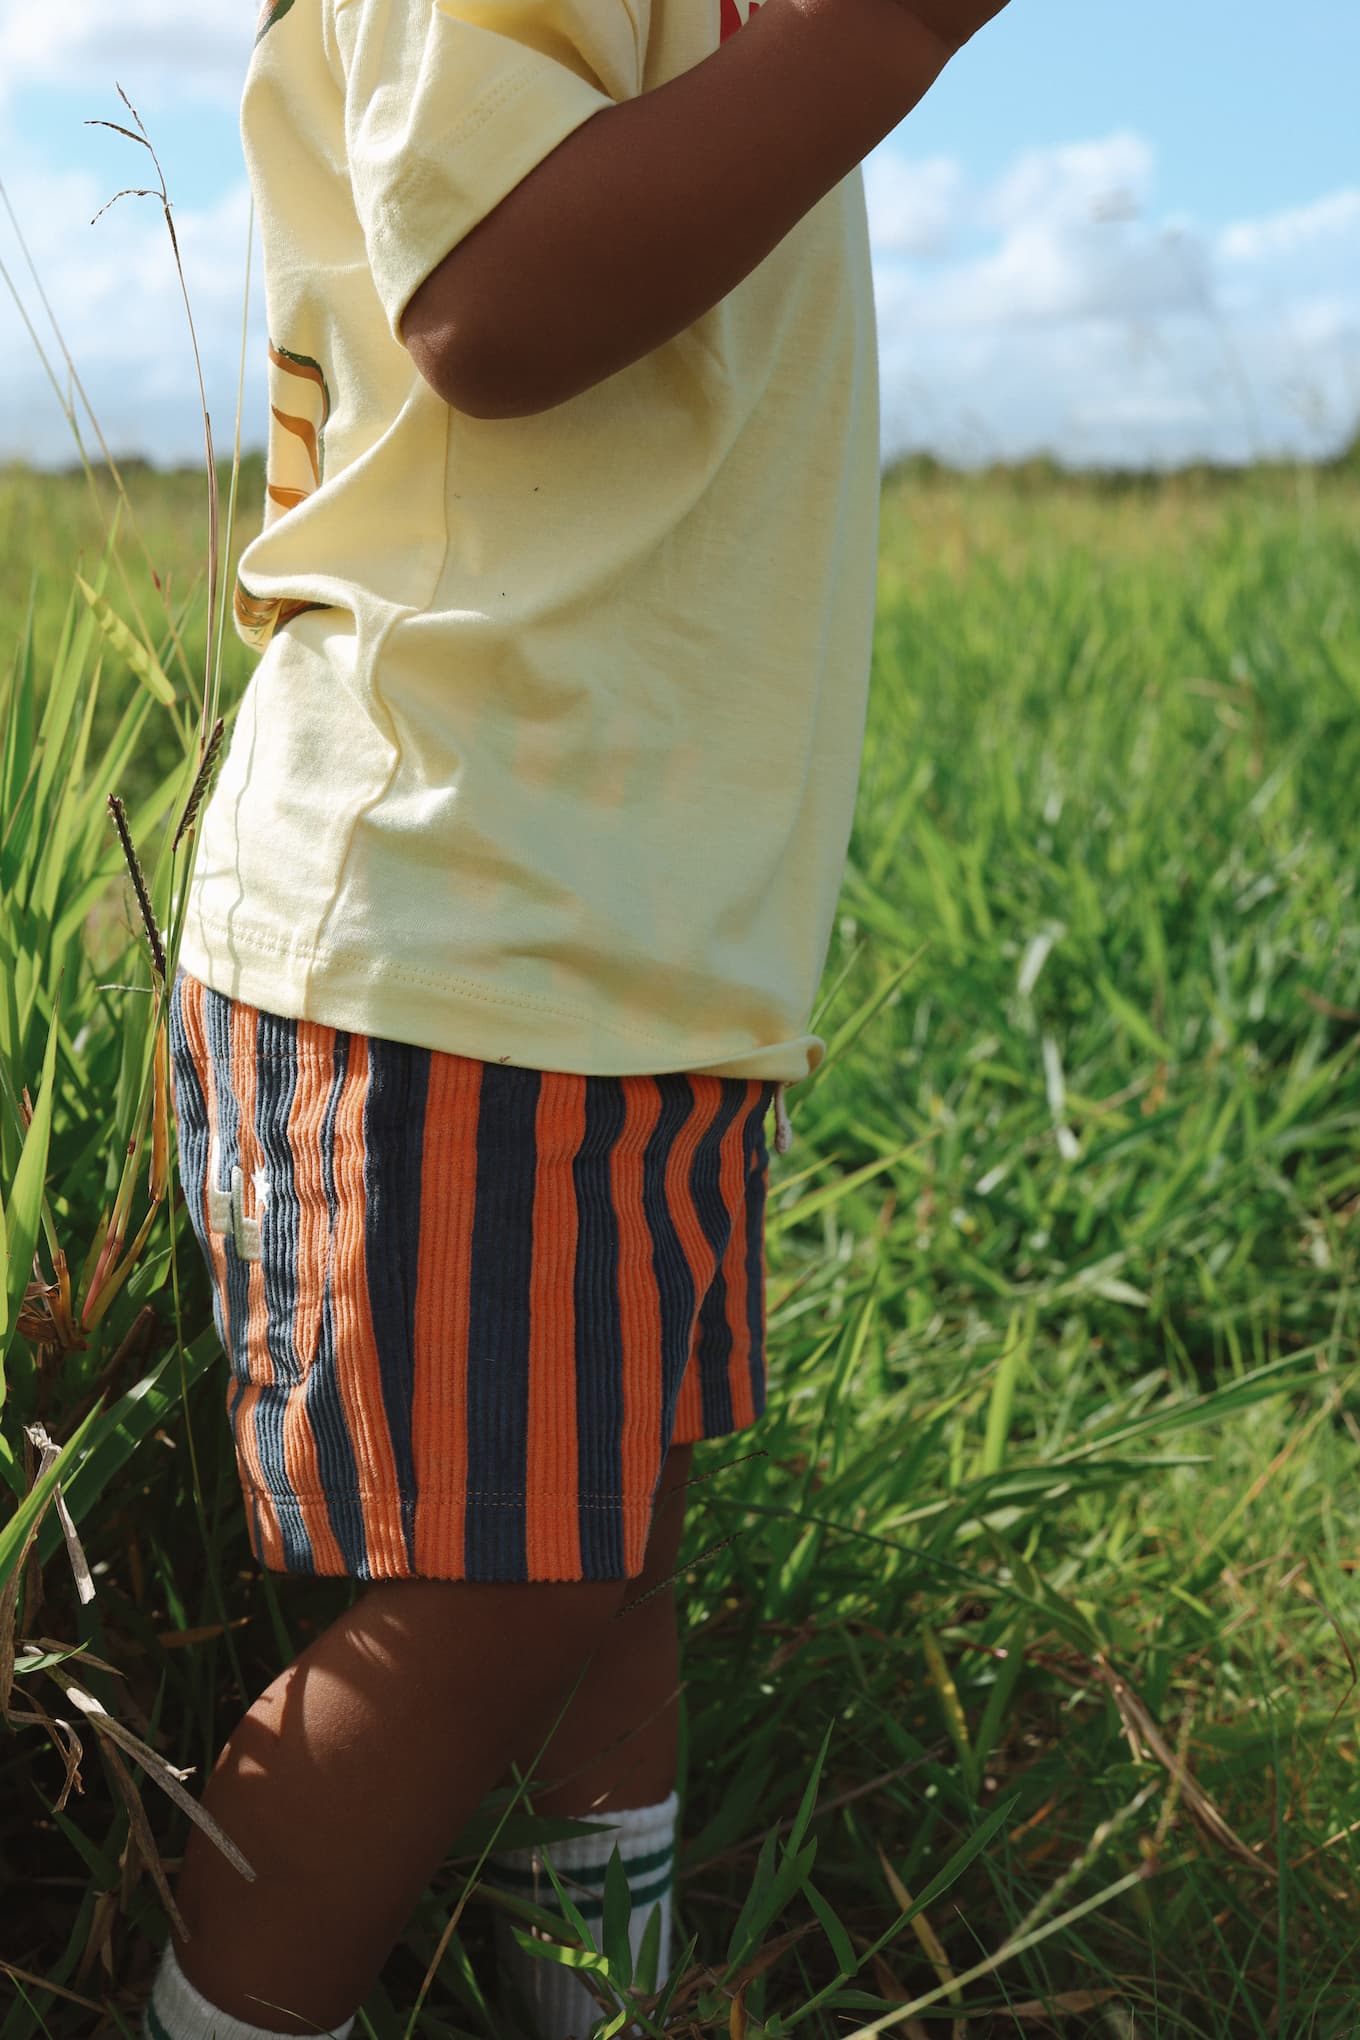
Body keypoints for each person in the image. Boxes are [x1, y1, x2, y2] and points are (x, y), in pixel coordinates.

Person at [141, 0, 1010, 2034]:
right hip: (461, 917)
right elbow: (490, 304)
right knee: (494, 1585)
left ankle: (605, 2010)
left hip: (626, 933)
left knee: (596, 1559)